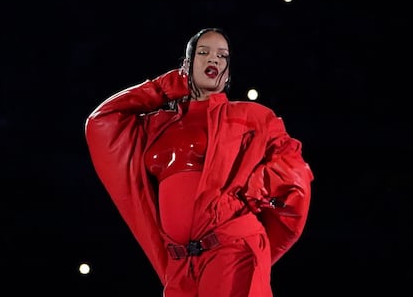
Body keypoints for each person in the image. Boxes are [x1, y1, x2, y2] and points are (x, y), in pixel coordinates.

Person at [84, 27, 314, 297]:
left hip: (231, 249)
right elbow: (103, 119)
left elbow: (293, 169)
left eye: (222, 55)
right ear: (186, 64)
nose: (213, 59)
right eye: (203, 53)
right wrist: (167, 87)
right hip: (181, 263)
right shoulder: (157, 125)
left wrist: (254, 189)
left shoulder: (252, 116)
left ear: (228, 70)